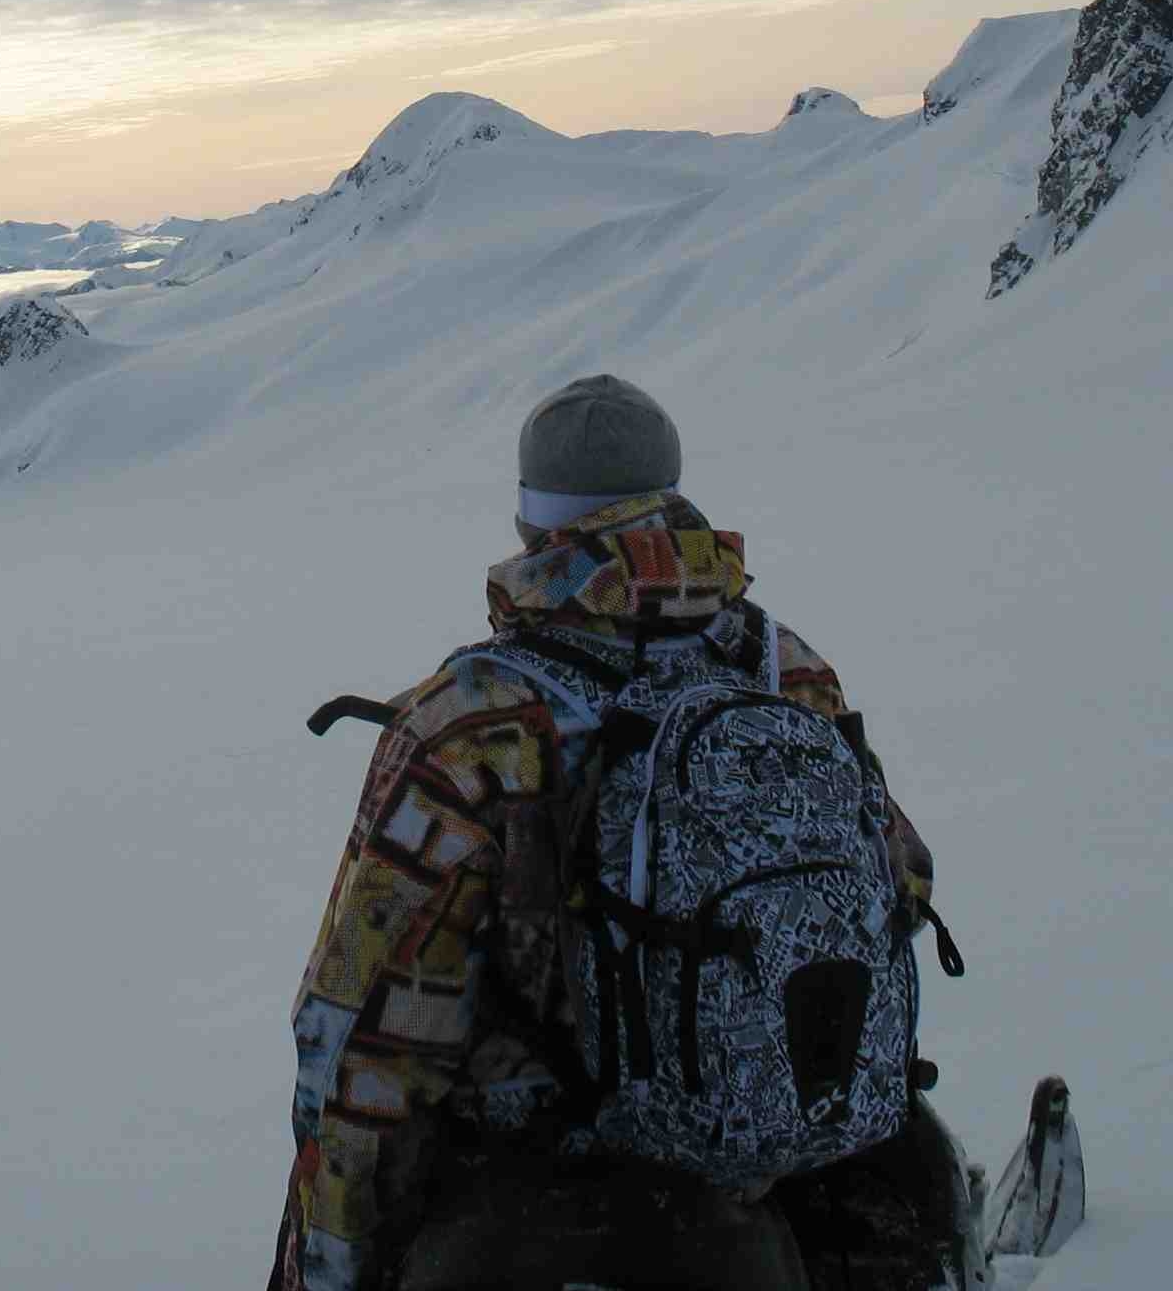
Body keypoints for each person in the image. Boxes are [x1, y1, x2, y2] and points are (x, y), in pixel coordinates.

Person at [269, 375, 937, 1291]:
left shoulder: (472, 723)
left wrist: (327, 1266)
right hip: (802, 1131)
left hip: (547, 1189)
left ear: (532, 527)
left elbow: (360, 1039)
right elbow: (900, 880)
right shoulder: (786, 668)